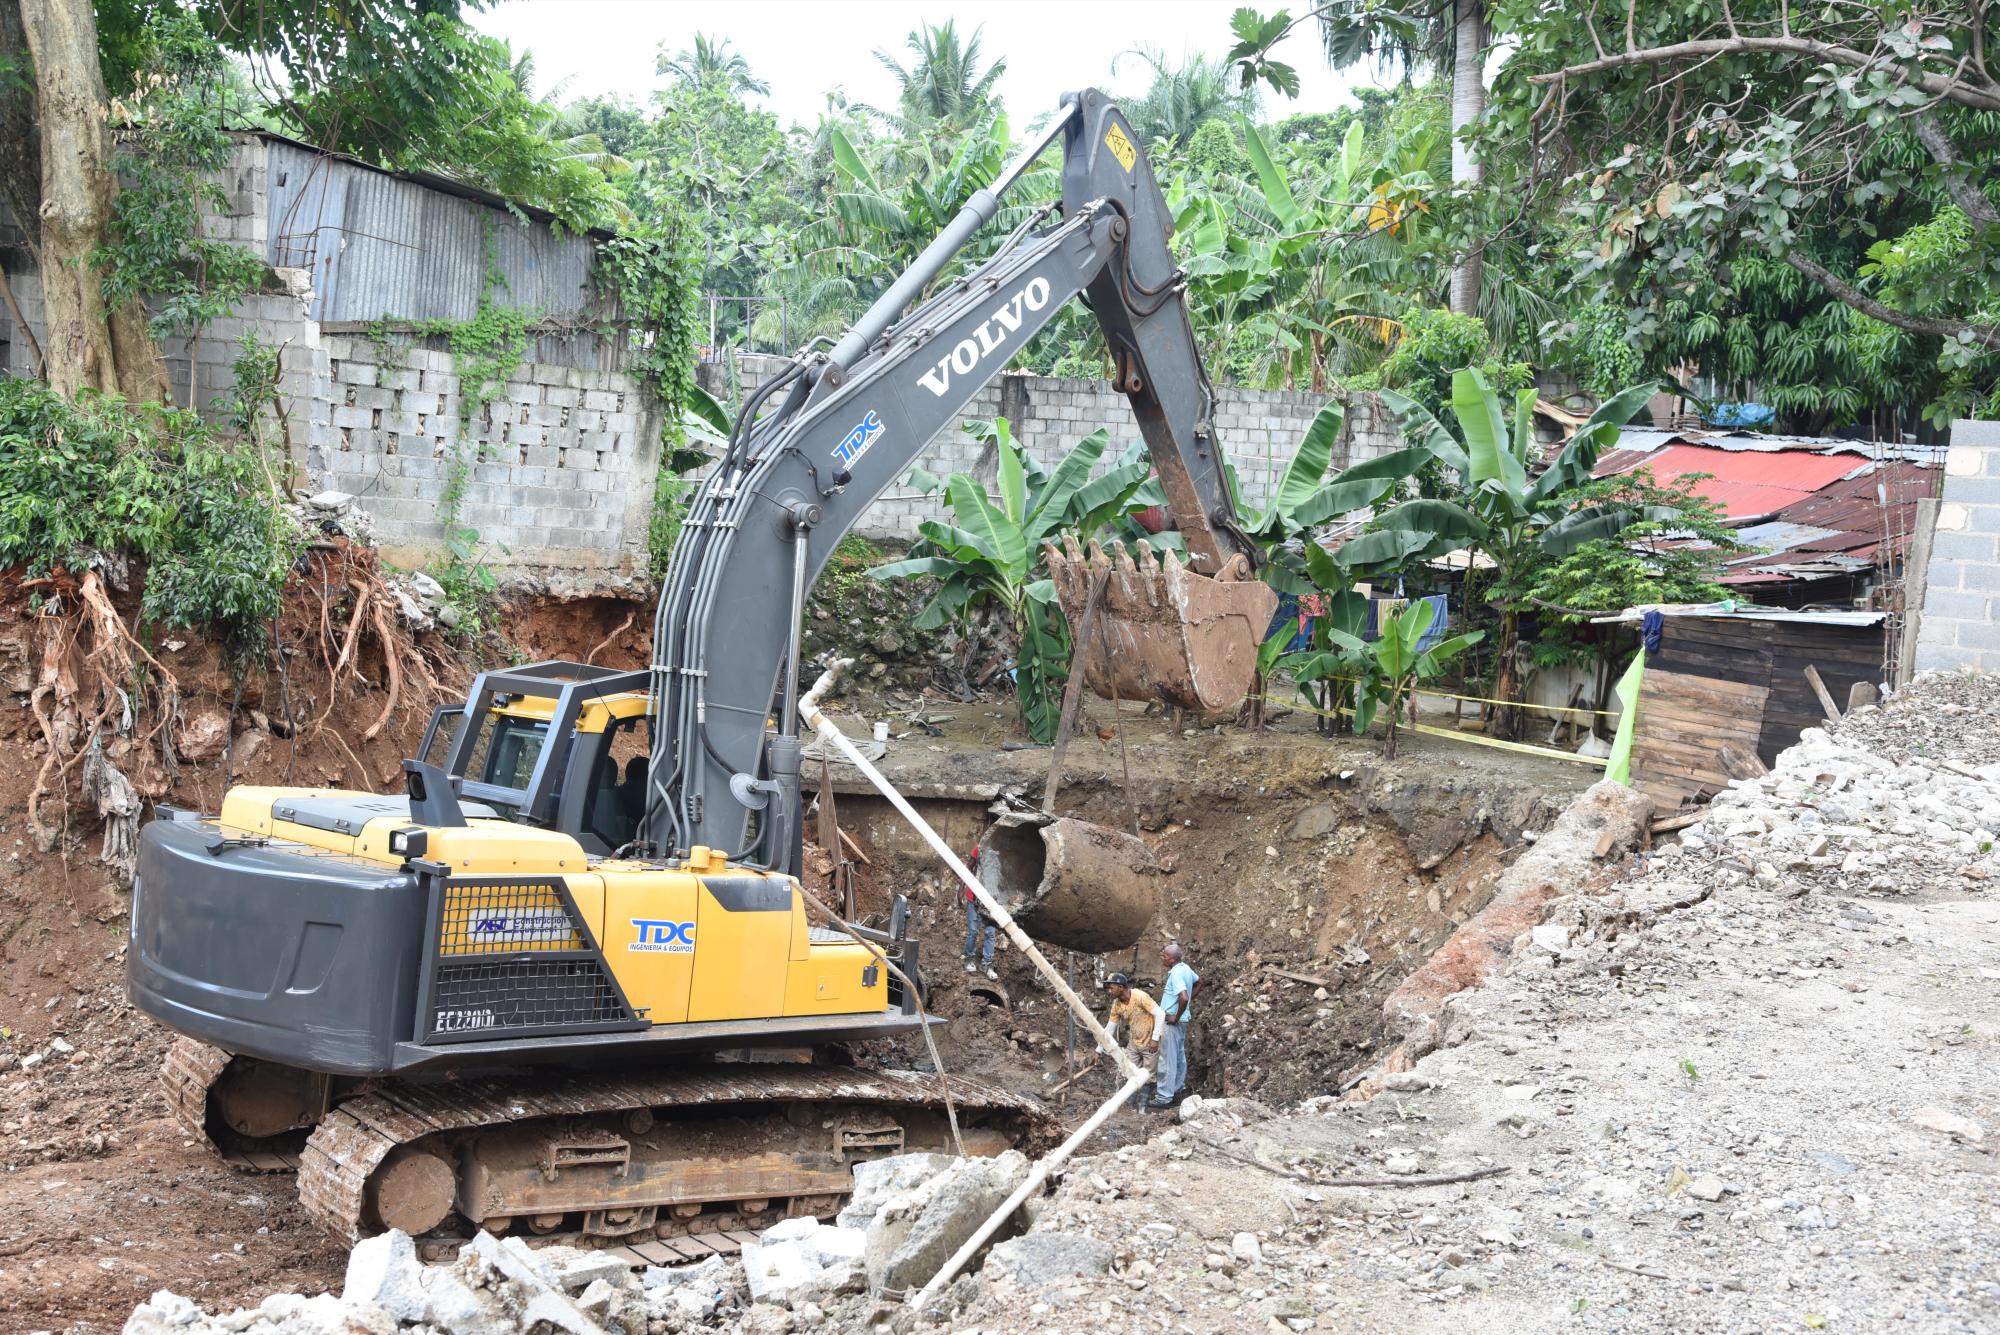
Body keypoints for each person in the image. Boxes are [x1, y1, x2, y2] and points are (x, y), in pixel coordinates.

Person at [1150, 941, 1200, 1110]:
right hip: (1183, 1020)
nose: (1162, 958)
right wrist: (1184, 1009)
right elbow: (1198, 983)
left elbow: (1184, 997)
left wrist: (1175, 1016)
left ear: (1171, 959)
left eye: (1164, 955)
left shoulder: (1176, 974)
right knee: (1178, 1057)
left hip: (1174, 1023)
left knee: (1167, 1059)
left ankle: (1164, 1097)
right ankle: (1177, 1088)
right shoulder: (1185, 969)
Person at [1103, 971, 1161, 1106]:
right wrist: (1098, 1050)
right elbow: (1109, 1028)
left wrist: (1155, 1039)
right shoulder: (1117, 1004)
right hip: (1134, 1042)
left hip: (1150, 1042)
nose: (1109, 991)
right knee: (1129, 1071)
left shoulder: (1140, 997)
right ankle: (1130, 1104)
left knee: (1148, 1075)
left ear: (1121, 988)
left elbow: (1160, 1014)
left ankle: (1142, 1107)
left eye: (1112, 988)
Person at [961, 841, 997, 979]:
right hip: (974, 898)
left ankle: (986, 964)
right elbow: (968, 867)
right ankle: (968, 958)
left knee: (990, 933)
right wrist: (961, 889)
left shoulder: (1005, 853)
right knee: (973, 931)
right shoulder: (980, 848)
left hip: (992, 900)